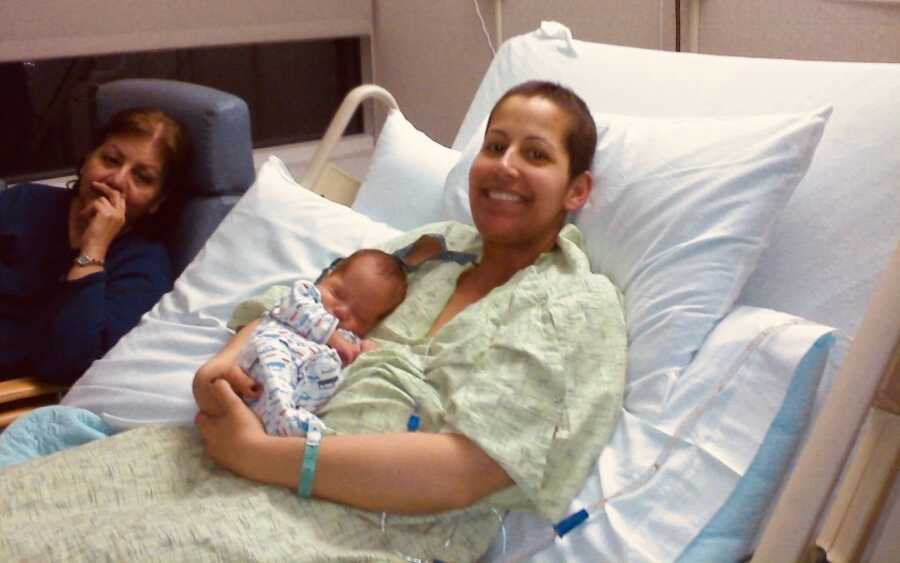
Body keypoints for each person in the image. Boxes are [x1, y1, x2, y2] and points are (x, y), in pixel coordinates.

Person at [0, 81, 626, 563]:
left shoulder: (572, 305)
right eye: (495, 146)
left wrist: (266, 457)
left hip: (357, 526)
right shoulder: (432, 252)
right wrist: (222, 366)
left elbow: (470, 470)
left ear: (577, 190)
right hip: (233, 458)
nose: (505, 166)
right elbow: (300, 300)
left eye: (535, 154)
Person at [0, 107, 190, 384]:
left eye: (142, 177)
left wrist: (94, 248)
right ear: (87, 159)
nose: (116, 180)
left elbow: (69, 365)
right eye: (111, 160)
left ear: (157, 202)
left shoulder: (144, 267)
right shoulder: (23, 202)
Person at [236, 249, 407, 437]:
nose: (342, 311)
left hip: (301, 387)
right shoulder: (305, 296)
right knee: (278, 381)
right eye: (338, 294)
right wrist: (331, 336)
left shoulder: (351, 340)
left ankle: (289, 425)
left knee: (328, 371)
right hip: (273, 351)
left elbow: (348, 376)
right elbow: (293, 308)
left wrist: (364, 355)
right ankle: (284, 421)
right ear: (329, 275)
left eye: (359, 315)